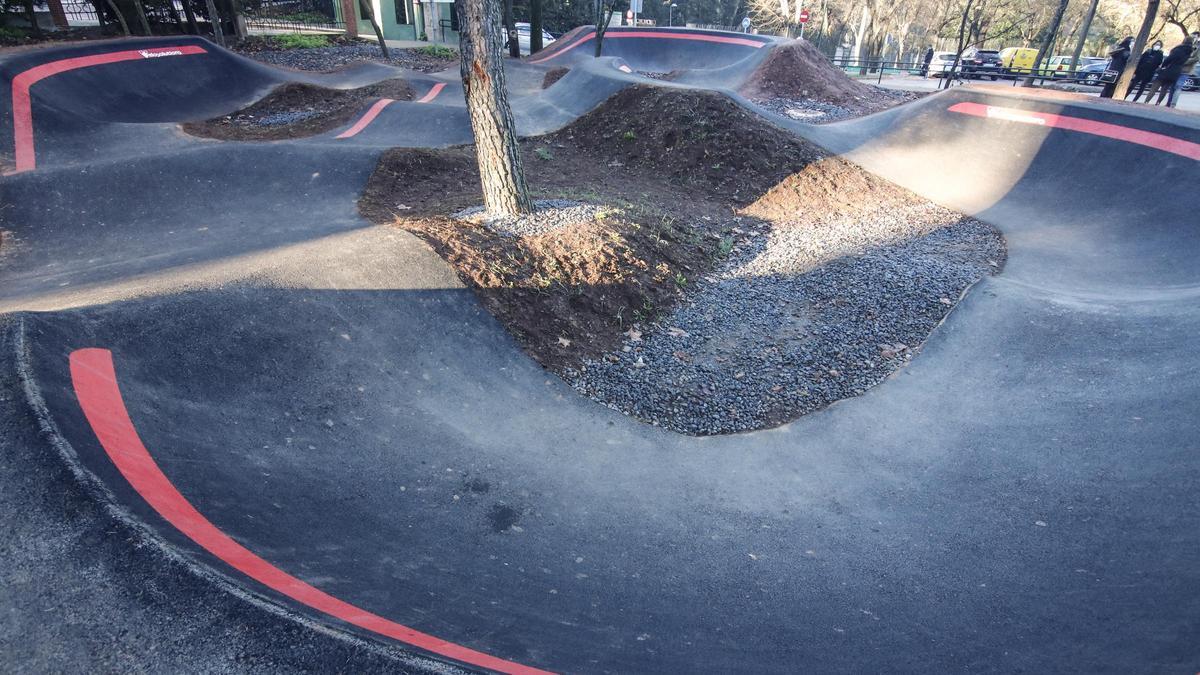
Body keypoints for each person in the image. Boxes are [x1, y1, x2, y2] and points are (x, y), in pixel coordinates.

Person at [1137, 35, 1195, 105]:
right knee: (1165, 88)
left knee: (1155, 86)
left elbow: (1169, 59)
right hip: (1177, 71)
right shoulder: (1189, 51)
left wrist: (1163, 66)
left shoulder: (1178, 49)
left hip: (1168, 68)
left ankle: (1146, 101)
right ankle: (1158, 103)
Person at [1167, 32, 1199, 107]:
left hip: (1186, 70)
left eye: (1195, 37)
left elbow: (1196, 58)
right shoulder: (1183, 45)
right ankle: (1169, 102)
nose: (1193, 38)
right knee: (1173, 86)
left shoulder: (1197, 47)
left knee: (1178, 86)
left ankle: (1173, 104)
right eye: (1192, 36)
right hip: (1177, 68)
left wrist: (1184, 61)